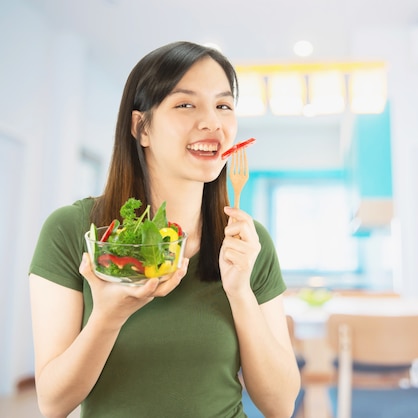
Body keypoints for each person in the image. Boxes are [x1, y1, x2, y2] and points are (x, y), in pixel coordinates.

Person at [29, 41, 301, 418]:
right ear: (141, 128)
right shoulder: (73, 231)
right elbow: (53, 403)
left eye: (223, 105)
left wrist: (240, 294)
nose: (212, 122)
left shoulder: (247, 242)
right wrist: (107, 317)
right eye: (186, 104)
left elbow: (280, 405)